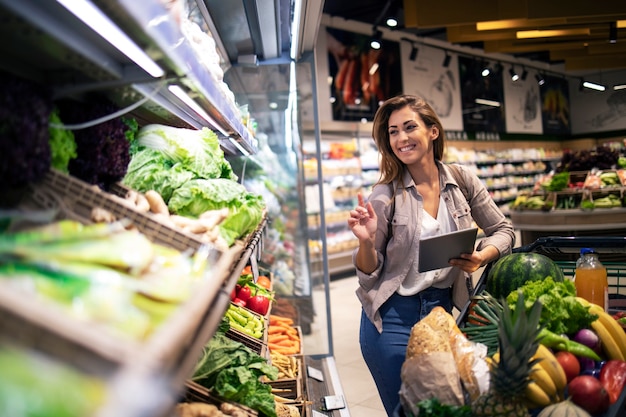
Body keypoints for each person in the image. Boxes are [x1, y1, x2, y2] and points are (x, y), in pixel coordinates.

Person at [347, 94, 515, 416]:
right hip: (392, 317)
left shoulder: (462, 181)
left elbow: (504, 230)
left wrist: (482, 256)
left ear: (433, 131)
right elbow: (369, 274)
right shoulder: (385, 194)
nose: (401, 138)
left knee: (446, 406)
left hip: (441, 310)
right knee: (409, 410)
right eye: (393, 131)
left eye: (410, 127)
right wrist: (366, 243)